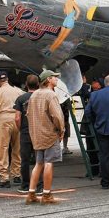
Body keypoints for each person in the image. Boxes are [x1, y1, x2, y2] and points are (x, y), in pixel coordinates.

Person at [26, 69, 67, 204]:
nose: (56, 79)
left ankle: (31, 193)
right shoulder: (51, 95)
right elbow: (57, 116)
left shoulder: (34, 95)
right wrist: (61, 130)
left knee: (39, 163)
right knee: (49, 163)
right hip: (49, 134)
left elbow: (28, 115)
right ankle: (46, 194)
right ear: (48, 79)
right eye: (54, 77)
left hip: (37, 134)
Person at [0, 71, 23, 187]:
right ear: (7, 79)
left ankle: (4, 178)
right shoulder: (18, 91)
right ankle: (16, 175)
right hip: (17, 119)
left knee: (2, 149)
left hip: (4, 120)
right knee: (17, 148)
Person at [13, 75, 40, 194]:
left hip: (25, 132)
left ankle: (25, 185)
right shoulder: (41, 97)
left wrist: (21, 129)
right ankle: (39, 185)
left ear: (26, 84)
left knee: (24, 160)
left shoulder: (20, 98)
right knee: (39, 160)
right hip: (39, 132)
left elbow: (17, 118)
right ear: (38, 84)